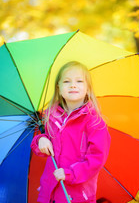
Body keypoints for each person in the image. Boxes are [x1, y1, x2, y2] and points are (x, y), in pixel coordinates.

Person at [31, 61, 111, 203]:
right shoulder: (51, 117)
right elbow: (44, 149)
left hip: (76, 195)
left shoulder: (95, 123)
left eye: (79, 81)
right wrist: (40, 140)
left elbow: (96, 159)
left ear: (87, 88)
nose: (73, 85)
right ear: (59, 87)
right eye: (67, 81)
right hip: (49, 192)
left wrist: (70, 173)